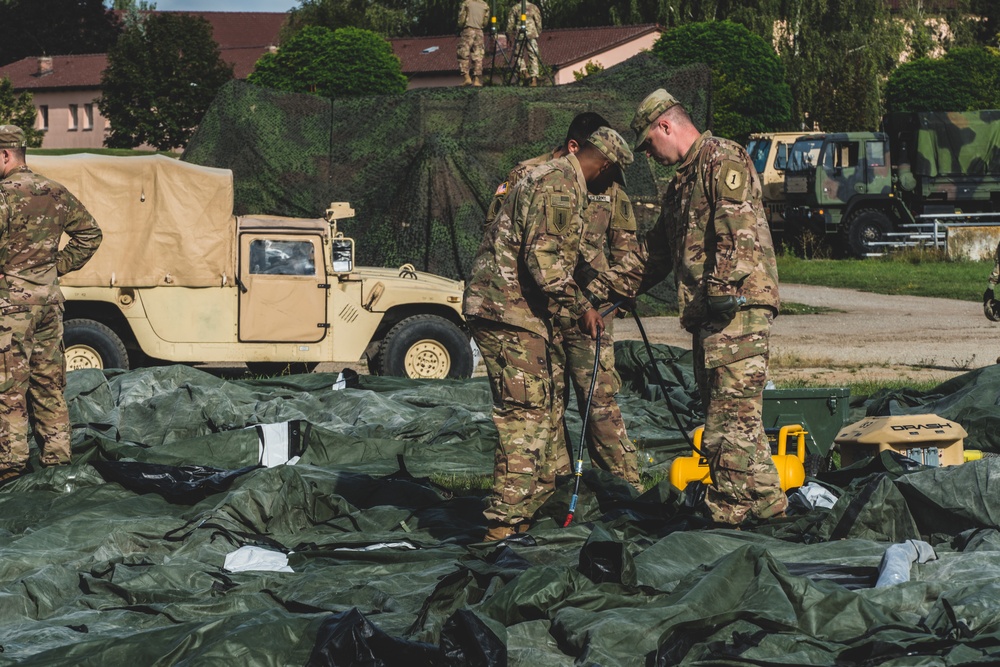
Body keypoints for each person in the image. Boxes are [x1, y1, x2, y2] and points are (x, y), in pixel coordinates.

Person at [464, 126, 633, 541]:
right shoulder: (559, 182)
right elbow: (545, 259)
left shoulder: (548, 176)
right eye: (610, 178)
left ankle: (527, 509)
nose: (609, 189)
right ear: (604, 164)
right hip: (509, 311)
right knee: (526, 415)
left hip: (520, 313)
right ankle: (505, 522)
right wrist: (583, 308)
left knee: (540, 410)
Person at [629, 90, 787, 527]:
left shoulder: (721, 158)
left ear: (665, 126)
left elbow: (738, 234)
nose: (648, 153)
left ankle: (727, 515)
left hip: (736, 307)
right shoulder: (682, 181)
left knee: (727, 417)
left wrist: (719, 292)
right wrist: (610, 291)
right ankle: (768, 503)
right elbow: (655, 254)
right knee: (737, 415)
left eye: (647, 143)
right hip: (713, 312)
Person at [487, 112, 643, 490]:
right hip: (538, 309)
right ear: (577, 148)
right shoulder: (527, 176)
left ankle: (623, 488)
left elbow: (627, 250)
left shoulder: (610, 184)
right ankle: (551, 486)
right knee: (545, 403)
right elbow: (499, 237)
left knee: (600, 400)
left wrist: (614, 294)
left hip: (588, 310)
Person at [0, 125, 102, 483]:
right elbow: (91, 233)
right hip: (50, 303)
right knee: (48, 384)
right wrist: (55, 266)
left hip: (11, 308)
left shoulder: (3, 196)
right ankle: (57, 463)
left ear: (5, 154)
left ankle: (10, 469)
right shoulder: (55, 191)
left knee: (8, 389)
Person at [506, 1, 542, 86]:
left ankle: (524, 71)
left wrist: (508, 35)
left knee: (518, 55)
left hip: (520, 35)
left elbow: (510, 24)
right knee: (533, 56)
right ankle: (534, 79)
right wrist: (538, 33)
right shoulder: (533, 7)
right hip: (532, 34)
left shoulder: (515, 8)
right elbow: (538, 22)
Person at [457, 0, 489, 87]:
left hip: (468, 30)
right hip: (479, 32)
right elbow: (485, 22)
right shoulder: (485, 5)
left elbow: (461, 19)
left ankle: (467, 78)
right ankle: (477, 80)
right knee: (478, 56)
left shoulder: (467, 3)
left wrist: (460, 27)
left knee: (463, 53)